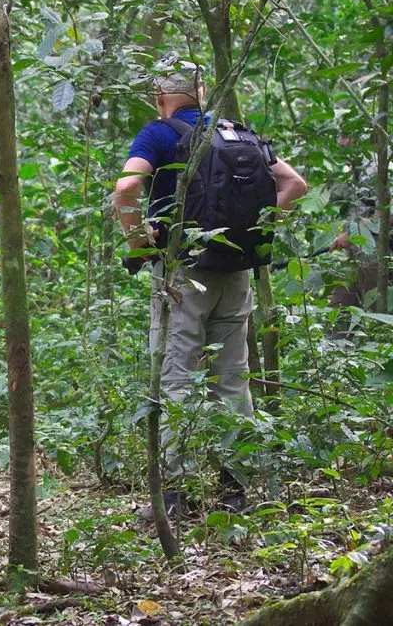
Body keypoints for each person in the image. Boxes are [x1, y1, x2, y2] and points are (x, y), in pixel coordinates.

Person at [112, 67, 307, 517]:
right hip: (236, 270)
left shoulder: (158, 134)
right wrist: (250, 224)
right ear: (200, 94)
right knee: (232, 377)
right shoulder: (236, 133)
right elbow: (295, 183)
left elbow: (126, 187)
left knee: (177, 378)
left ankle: (177, 495)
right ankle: (234, 489)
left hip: (182, 272)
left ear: (160, 96)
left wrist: (140, 243)